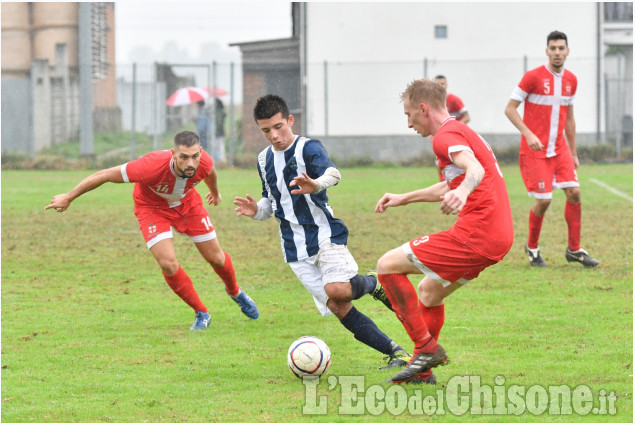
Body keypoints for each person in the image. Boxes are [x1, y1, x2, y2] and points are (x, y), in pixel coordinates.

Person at [234, 94, 409, 370]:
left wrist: (315, 184)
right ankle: (396, 353)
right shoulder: (263, 159)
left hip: (325, 236)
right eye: (266, 130)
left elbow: (334, 174)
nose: (274, 135)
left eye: (279, 126)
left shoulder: (308, 148)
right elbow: (270, 203)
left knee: (337, 289)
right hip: (294, 250)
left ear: (290, 120)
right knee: (339, 306)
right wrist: (255, 209)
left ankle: (375, 283)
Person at [45, 130, 259, 330]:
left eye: (194, 156)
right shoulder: (150, 165)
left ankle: (235, 292)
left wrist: (215, 193)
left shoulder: (203, 163)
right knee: (168, 263)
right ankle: (201, 312)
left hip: (188, 205)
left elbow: (210, 172)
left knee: (217, 259)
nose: (190, 162)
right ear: (173, 153)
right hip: (152, 209)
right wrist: (69, 196)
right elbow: (105, 174)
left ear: (200, 152)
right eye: (184, 157)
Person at [374, 79, 514, 384]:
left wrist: (463, 192)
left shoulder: (444, 137)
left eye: (409, 115)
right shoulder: (462, 131)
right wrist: (403, 198)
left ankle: (425, 348)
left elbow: (474, 170)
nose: (409, 123)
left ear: (424, 109)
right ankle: (422, 372)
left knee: (386, 266)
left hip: (476, 234)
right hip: (498, 237)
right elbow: (448, 185)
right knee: (429, 291)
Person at [504, 30, 599, 268]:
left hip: (560, 149)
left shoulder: (571, 80)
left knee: (575, 193)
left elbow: (569, 119)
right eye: (553, 48)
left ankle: (574, 250)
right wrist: (528, 133)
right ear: (547, 51)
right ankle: (532, 248)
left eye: (561, 48)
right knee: (544, 200)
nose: (557, 52)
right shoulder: (533, 77)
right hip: (535, 151)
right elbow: (510, 109)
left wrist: (574, 152)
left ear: (568, 51)